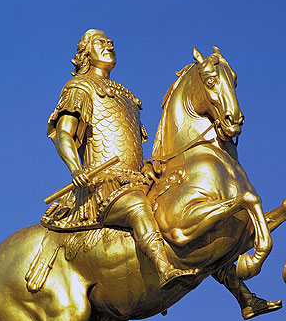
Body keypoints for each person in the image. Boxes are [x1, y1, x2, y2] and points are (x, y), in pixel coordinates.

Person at [41, 29, 195, 288]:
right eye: (100, 42)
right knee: (137, 206)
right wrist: (75, 169)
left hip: (136, 180)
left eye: (110, 42)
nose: (108, 46)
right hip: (102, 186)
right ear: (86, 54)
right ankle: (164, 268)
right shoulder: (81, 87)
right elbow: (63, 133)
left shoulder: (126, 96)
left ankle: (239, 289)